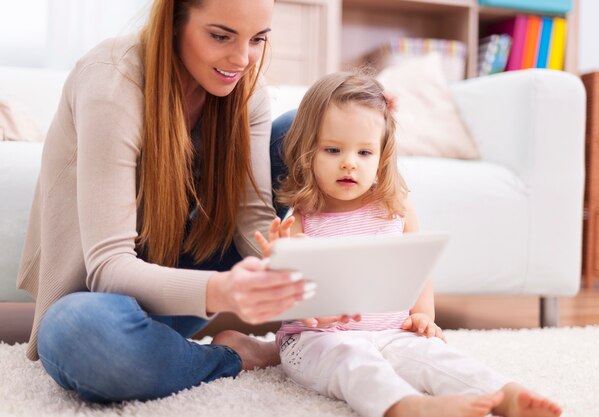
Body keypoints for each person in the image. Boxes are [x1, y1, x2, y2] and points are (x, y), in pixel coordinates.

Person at [16, 0, 308, 403]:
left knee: (307, 128)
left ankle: (164, 353)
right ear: (174, 21)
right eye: (220, 36)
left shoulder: (245, 86)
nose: (241, 59)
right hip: (108, 297)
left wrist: (297, 263)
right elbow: (108, 268)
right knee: (77, 332)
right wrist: (222, 290)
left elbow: (252, 221)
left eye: (257, 39)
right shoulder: (111, 82)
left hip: (191, 261)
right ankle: (230, 357)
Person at [255, 72, 563, 417]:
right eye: (332, 149)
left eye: (364, 151)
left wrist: (422, 315)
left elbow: (419, 269)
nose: (349, 162)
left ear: (382, 155)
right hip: (318, 342)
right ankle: (407, 406)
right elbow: (295, 296)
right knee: (355, 364)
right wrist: (280, 260)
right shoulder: (300, 217)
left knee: (437, 357)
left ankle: (505, 395)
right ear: (307, 150)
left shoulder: (395, 208)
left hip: (391, 333)